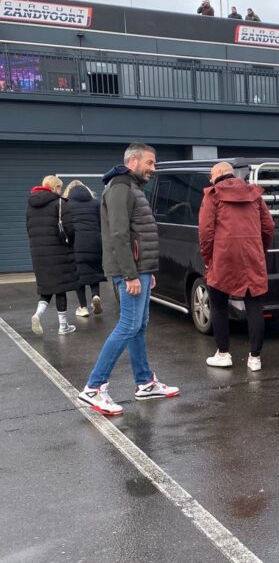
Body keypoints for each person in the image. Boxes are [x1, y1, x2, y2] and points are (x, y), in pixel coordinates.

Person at [78, 144, 179, 416]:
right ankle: (94, 387)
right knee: (128, 325)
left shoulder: (131, 186)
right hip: (130, 271)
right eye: (150, 162)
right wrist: (130, 274)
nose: (153, 168)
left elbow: (138, 231)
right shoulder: (120, 186)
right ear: (133, 160)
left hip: (140, 269)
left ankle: (145, 382)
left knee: (138, 325)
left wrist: (147, 271)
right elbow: (119, 234)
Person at [199, 161, 275, 371]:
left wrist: (208, 257)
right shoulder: (254, 194)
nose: (210, 179)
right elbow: (269, 226)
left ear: (219, 173)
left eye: (211, 175)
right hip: (251, 254)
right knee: (254, 305)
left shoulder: (213, 195)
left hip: (223, 255)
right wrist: (260, 248)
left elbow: (205, 231)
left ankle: (223, 354)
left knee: (218, 304)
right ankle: (255, 358)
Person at [26, 174, 78, 335]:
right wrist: (70, 243)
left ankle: (37, 314)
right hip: (58, 251)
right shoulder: (60, 203)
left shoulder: (31, 205)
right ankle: (63, 326)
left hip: (38, 253)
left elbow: (29, 229)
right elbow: (70, 229)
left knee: (46, 288)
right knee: (60, 288)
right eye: (60, 188)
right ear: (56, 187)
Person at [63, 180, 106, 317]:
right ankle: (95, 296)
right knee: (94, 271)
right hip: (95, 242)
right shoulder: (95, 203)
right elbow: (101, 223)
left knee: (79, 275)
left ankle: (83, 307)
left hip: (77, 243)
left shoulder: (66, 204)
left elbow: (66, 226)